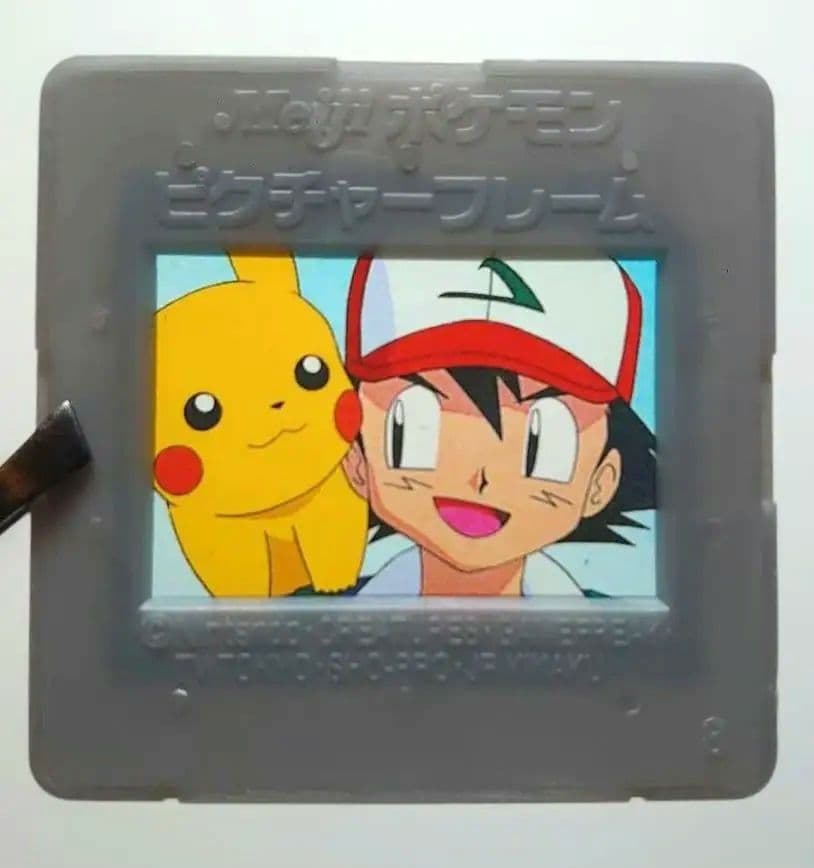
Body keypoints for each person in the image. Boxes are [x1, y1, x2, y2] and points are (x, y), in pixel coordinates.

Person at [341, 254, 656, 597]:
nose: (480, 476)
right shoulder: (323, 611)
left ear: (601, 482)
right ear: (355, 454)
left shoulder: (611, 624)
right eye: (417, 423)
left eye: (546, 441)